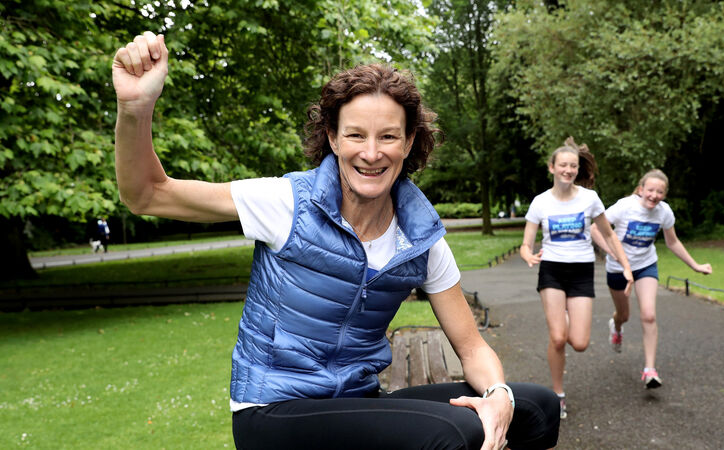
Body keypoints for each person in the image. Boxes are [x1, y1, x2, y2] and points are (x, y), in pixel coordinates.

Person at [112, 31, 559, 449]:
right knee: (456, 432)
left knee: (535, 407)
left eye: (388, 136)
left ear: (408, 144)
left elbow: (473, 348)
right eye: (356, 135)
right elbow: (147, 193)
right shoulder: (287, 203)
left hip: (357, 400)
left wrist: (498, 395)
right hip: (273, 409)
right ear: (333, 138)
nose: (371, 153)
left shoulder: (419, 240)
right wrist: (135, 109)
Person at [520, 137, 633, 420]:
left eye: (573, 166)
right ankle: (558, 395)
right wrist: (528, 255)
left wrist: (626, 266)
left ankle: (565, 316)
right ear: (552, 167)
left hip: (582, 271)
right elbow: (526, 243)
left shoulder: (589, 199)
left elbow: (608, 234)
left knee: (580, 343)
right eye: (563, 165)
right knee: (558, 338)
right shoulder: (540, 202)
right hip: (552, 270)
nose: (568, 170)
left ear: (577, 169)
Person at [590, 169, 712, 389]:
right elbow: (595, 229)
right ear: (641, 189)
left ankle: (650, 370)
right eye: (650, 190)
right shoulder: (625, 206)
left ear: (665, 194)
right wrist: (614, 254)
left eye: (660, 192)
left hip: (646, 265)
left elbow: (673, 242)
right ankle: (616, 326)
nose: (654, 195)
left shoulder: (664, 212)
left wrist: (695, 265)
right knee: (624, 315)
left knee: (649, 315)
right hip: (618, 269)